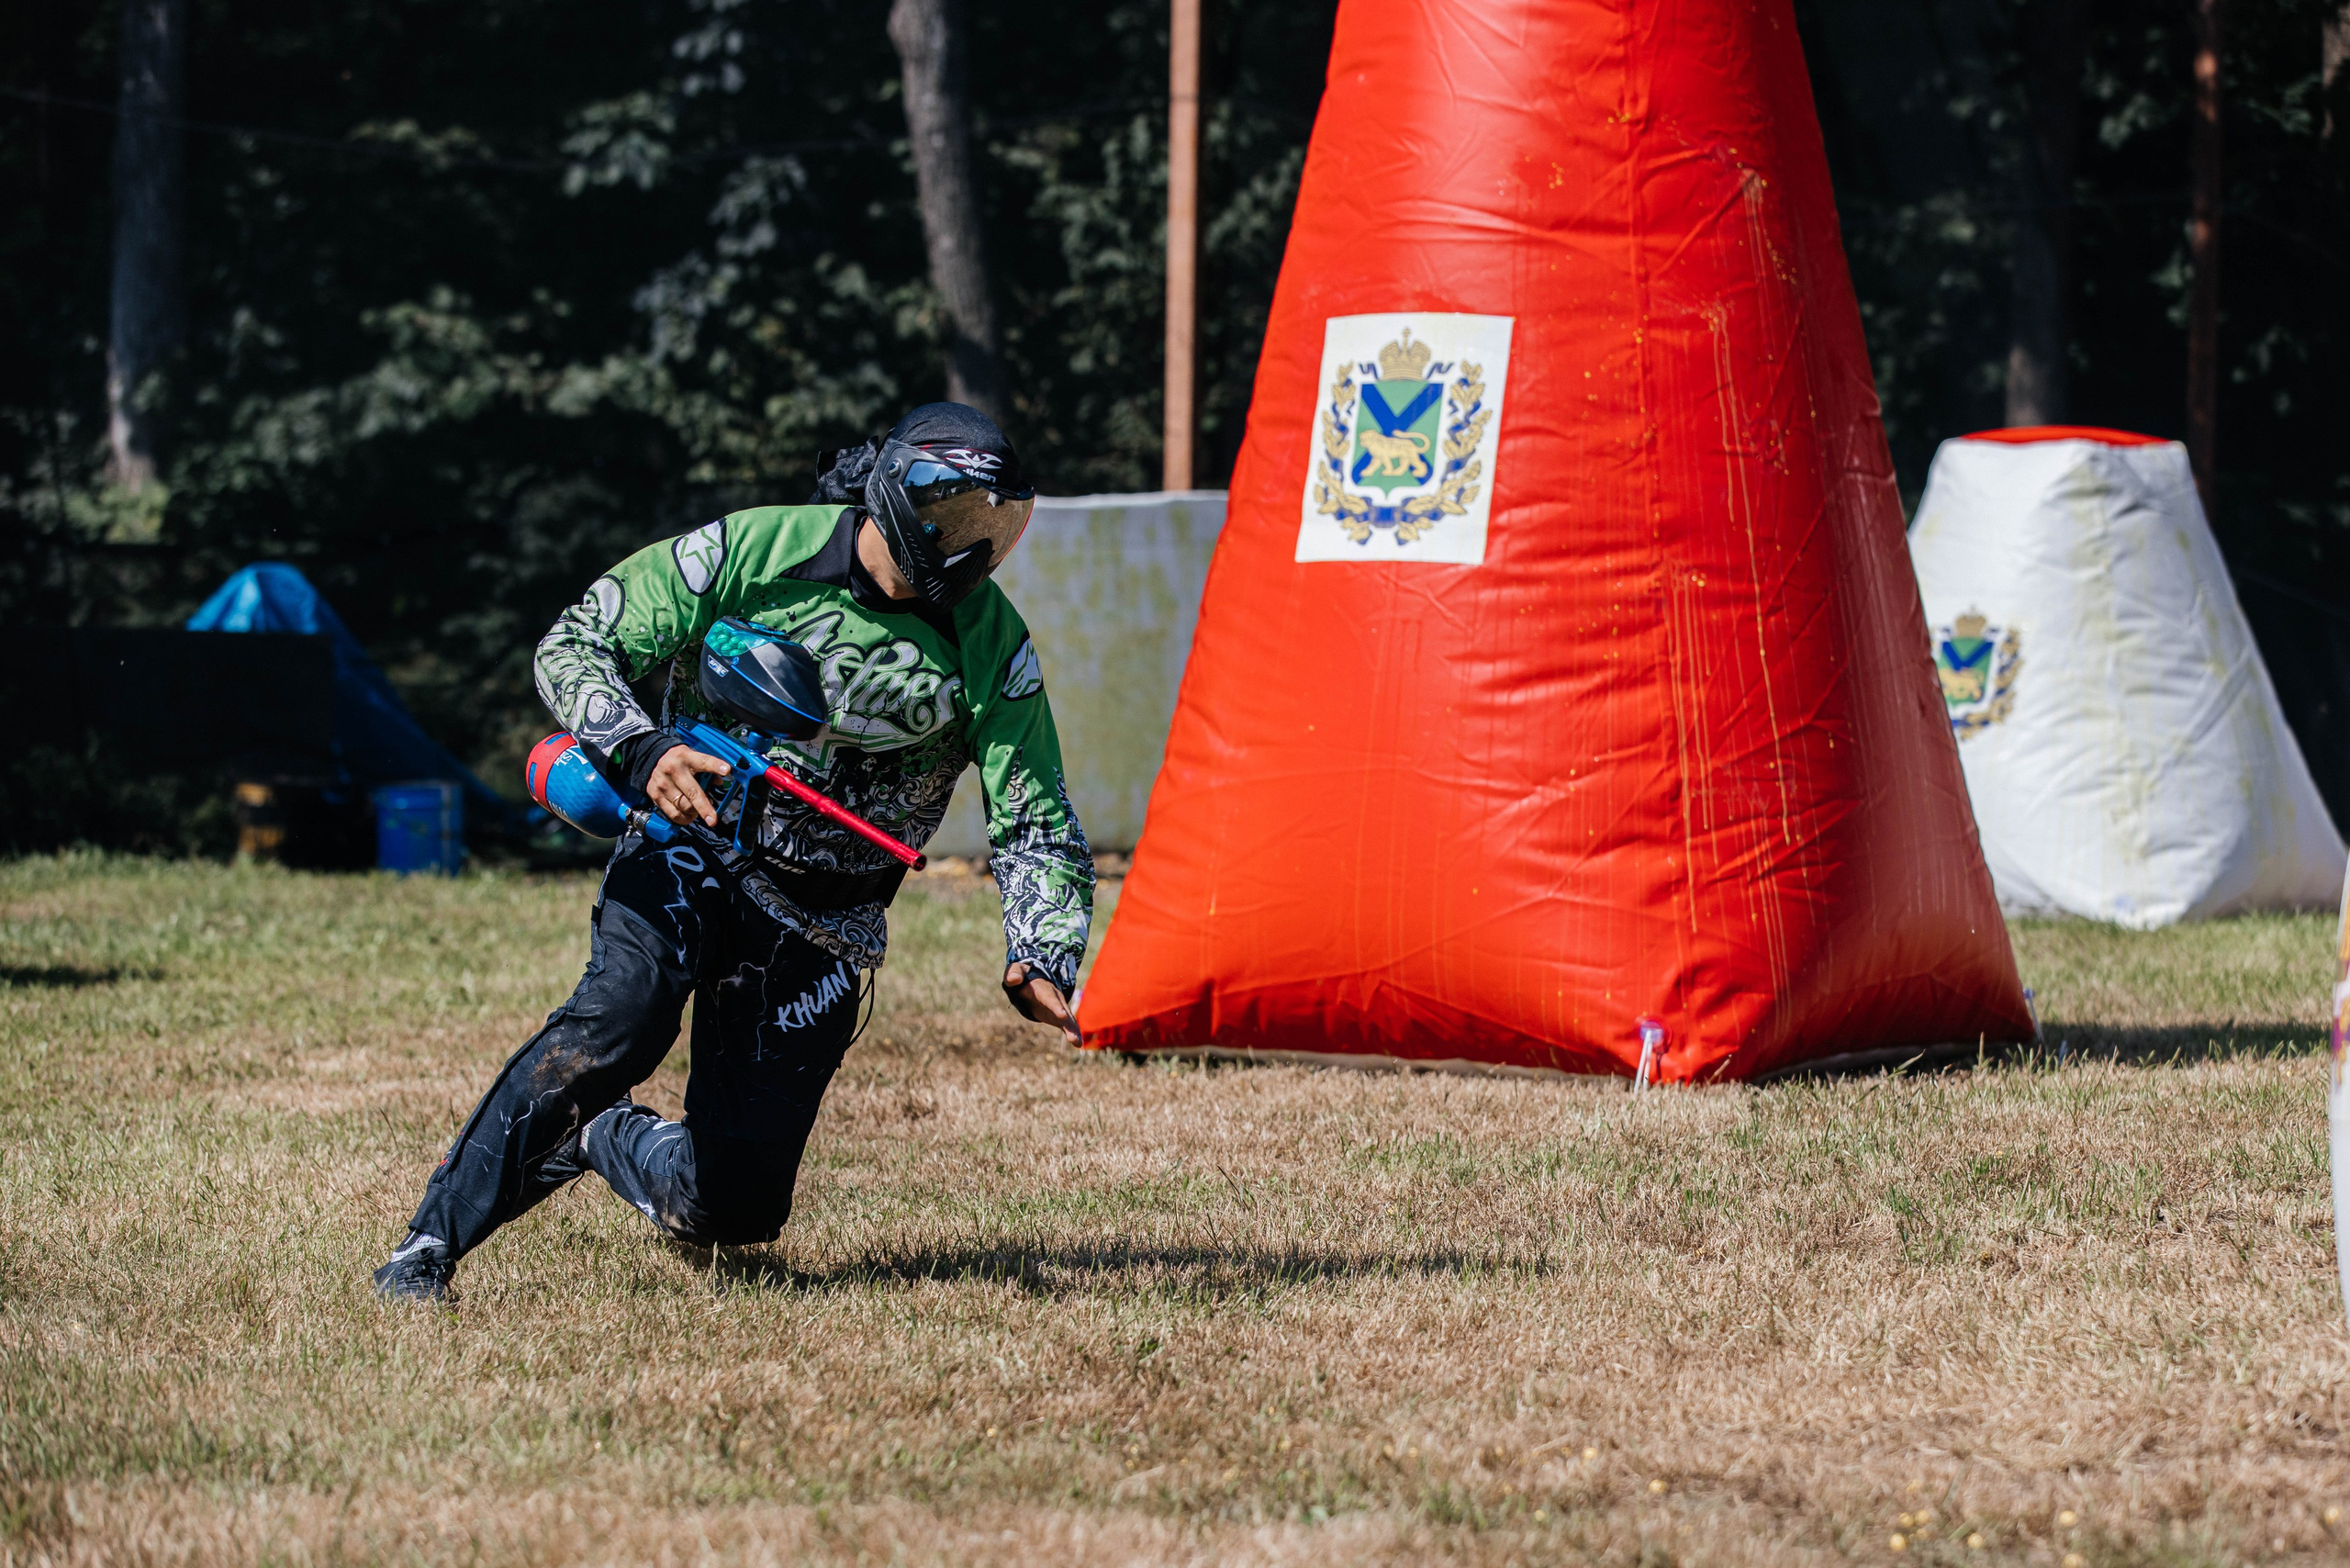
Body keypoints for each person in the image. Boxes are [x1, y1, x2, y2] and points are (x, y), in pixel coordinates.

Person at [373, 402, 1093, 1303]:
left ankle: (600, 1137)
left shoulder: (990, 640)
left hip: (827, 920)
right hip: (692, 849)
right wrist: (641, 746)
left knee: (735, 1209)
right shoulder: (754, 551)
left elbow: (1033, 809)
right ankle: (424, 1250)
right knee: (619, 1022)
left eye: (997, 527)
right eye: (957, 521)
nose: (974, 547)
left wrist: (1042, 950)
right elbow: (578, 641)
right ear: (900, 498)